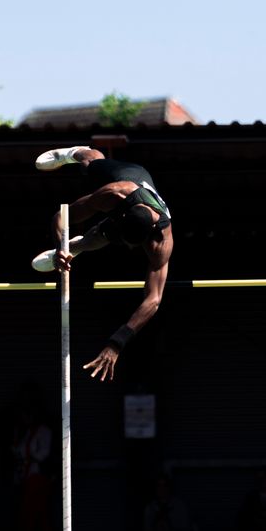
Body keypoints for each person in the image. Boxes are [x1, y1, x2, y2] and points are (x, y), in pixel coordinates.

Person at [32, 146, 173, 382]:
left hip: (135, 218)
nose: (129, 249)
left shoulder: (162, 240)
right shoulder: (113, 194)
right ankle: (74, 152)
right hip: (129, 179)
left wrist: (116, 343)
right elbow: (61, 217)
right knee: (90, 164)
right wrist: (59, 246)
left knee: (96, 240)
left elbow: (153, 300)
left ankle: (74, 248)